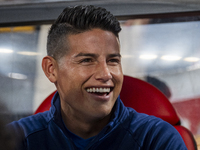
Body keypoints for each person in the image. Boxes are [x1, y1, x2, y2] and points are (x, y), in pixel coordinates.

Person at [7, 5, 187, 150]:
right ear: (51, 69)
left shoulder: (156, 139)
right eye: (87, 60)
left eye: (113, 60)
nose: (106, 74)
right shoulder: (17, 140)